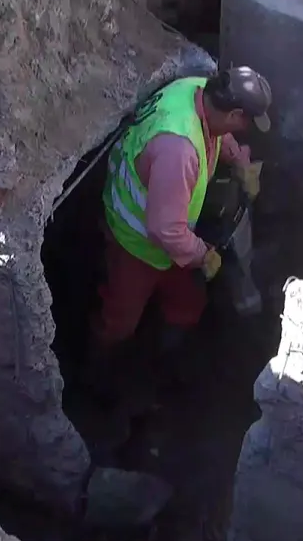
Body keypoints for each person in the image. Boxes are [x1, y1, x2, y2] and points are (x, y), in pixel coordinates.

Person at [86, 66, 272, 404]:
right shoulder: (179, 151)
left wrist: (239, 162)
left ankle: (168, 362)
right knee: (120, 318)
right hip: (136, 241)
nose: (246, 130)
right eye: (245, 121)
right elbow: (165, 230)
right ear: (234, 113)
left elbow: (218, 134)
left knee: (187, 302)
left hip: (169, 231)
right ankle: (99, 377)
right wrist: (204, 255)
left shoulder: (197, 90)